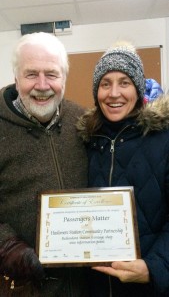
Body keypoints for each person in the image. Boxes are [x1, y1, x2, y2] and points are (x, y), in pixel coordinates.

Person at [77, 41, 169, 296]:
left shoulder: (163, 139)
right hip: (94, 286)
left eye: (124, 83)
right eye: (105, 83)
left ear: (138, 89)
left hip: (148, 288)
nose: (114, 93)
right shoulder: (86, 141)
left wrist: (154, 267)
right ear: (97, 91)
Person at [0, 32, 88, 297]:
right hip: (23, 286)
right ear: (16, 78)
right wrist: (8, 247)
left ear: (64, 78)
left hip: (86, 283)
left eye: (51, 74)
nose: (42, 85)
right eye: (31, 74)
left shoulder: (83, 120)